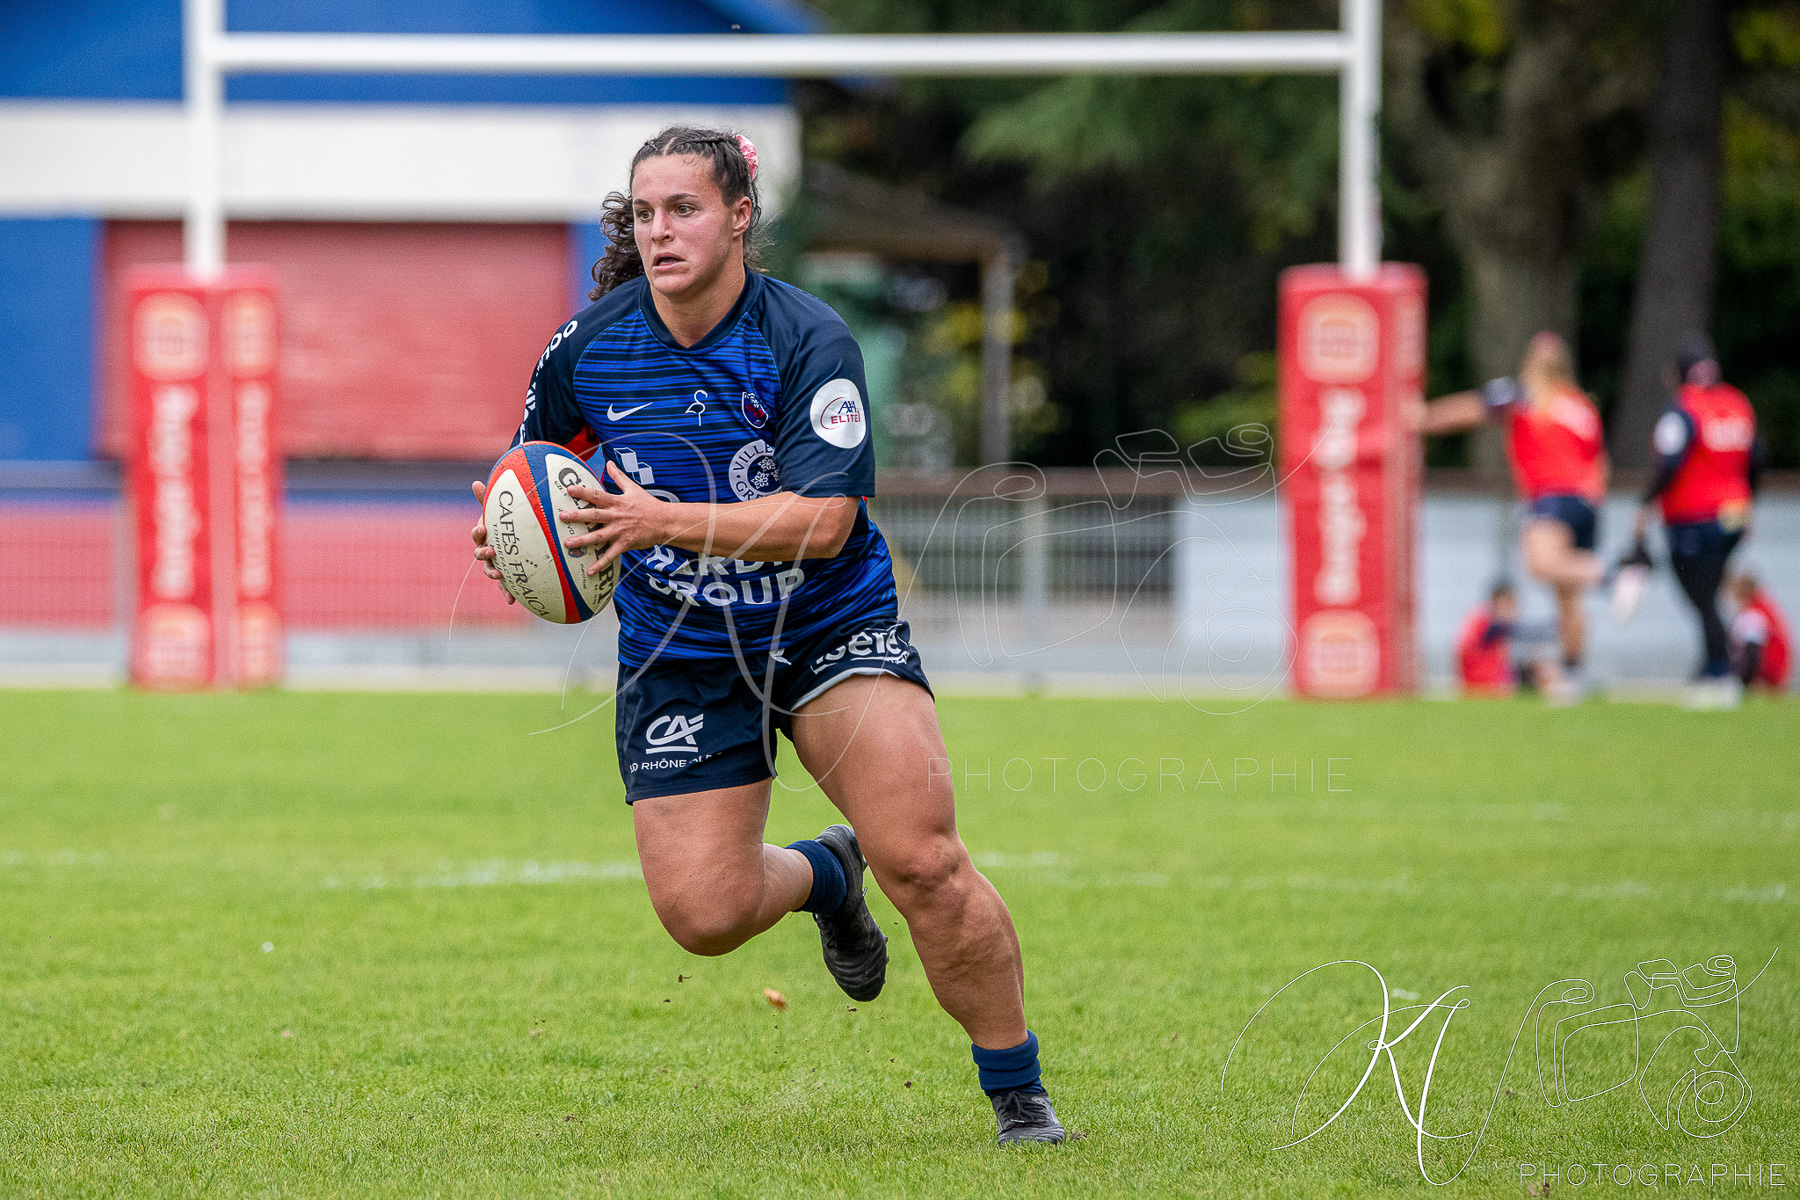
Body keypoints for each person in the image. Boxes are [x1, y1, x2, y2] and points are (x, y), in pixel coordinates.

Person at [469, 127, 1064, 1145]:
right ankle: (829, 876)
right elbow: (541, 476)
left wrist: (663, 521)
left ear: (740, 216)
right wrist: (508, 532)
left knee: (921, 860)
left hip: (828, 627)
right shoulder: (587, 348)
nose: (662, 230)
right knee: (703, 916)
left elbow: (823, 522)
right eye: (646, 212)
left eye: (686, 209)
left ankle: (1020, 1100)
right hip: (680, 651)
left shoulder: (807, 340)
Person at [1418, 331, 1609, 704]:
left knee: (1541, 565)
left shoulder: (1524, 392)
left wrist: (1424, 418)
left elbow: (1472, 409)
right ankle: (1571, 676)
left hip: (1551, 496)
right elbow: (1600, 462)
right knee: (1567, 595)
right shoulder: (1581, 406)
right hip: (1587, 502)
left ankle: (1612, 572)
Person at [1629, 335, 1765, 709]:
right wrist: (1749, 503)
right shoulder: (1738, 403)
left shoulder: (1684, 407)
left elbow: (1669, 461)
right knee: (1709, 590)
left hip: (1695, 515)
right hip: (1734, 513)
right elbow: (1757, 460)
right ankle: (1712, 664)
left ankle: (1719, 671)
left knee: (1700, 592)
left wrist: (1644, 504)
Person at [1728, 572, 1790, 693]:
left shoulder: (1753, 613)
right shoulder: (1763, 606)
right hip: (1775, 671)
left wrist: (1746, 683)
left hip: (1766, 674)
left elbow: (1753, 651)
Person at [1456, 582, 1520, 696]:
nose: (1511, 609)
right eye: (1508, 603)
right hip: (1482, 680)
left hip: (1484, 677)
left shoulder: (1482, 616)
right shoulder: (1486, 620)